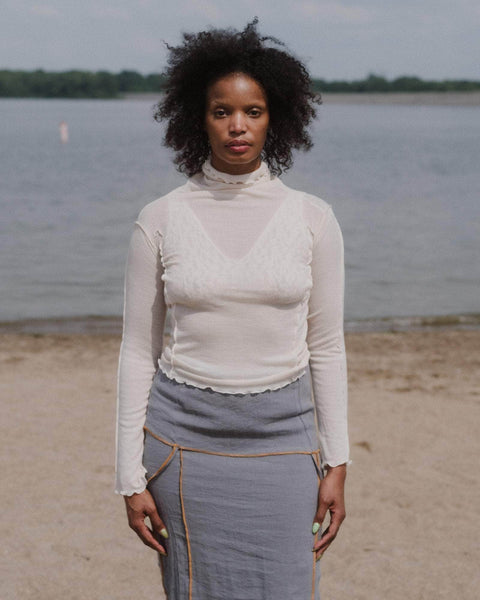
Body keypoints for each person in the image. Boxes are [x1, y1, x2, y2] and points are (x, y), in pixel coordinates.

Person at [115, 19, 349, 600]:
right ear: (199, 118)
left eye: (253, 111)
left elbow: (327, 347)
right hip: (181, 445)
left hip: (286, 442)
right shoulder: (160, 218)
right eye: (222, 111)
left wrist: (338, 460)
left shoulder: (313, 218)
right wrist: (127, 476)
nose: (237, 125)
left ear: (276, 118)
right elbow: (137, 351)